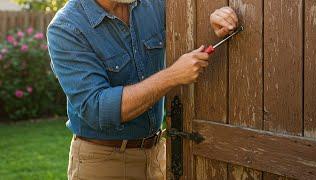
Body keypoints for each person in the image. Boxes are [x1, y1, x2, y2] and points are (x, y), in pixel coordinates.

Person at [47, 0, 238, 179]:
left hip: (157, 154)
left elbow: (189, 19)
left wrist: (213, 19)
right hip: (103, 162)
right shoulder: (66, 28)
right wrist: (171, 76)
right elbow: (97, 109)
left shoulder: (152, 4)